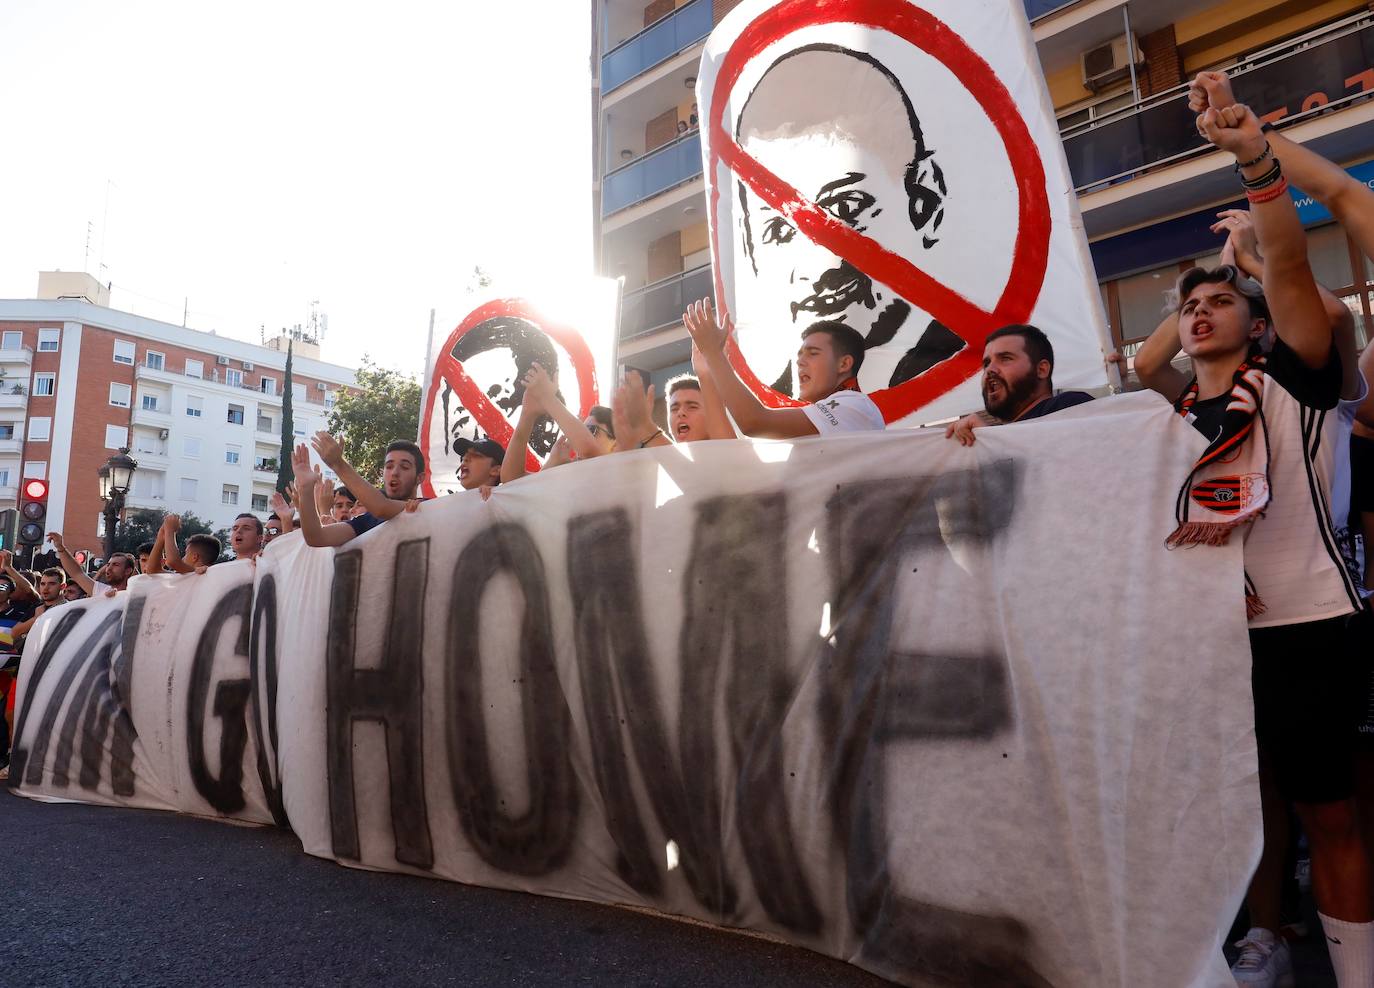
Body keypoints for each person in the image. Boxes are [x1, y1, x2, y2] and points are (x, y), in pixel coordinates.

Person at [1135, 91, 1371, 988]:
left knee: (1330, 814)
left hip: (1305, 622)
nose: (1200, 313)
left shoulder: (1300, 380)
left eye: (1217, 305)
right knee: (1247, 802)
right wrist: (1207, 282)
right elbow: (1150, 364)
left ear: (1261, 323)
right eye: (1187, 305)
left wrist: (1258, 182)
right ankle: (1262, 936)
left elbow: (1291, 268)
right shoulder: (1169, 416)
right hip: (1209, 632)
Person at [729, 43, 964, 395]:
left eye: (845, 209)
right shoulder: (773, 409)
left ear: (924, 203)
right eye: (778, 229)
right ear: (749, 247)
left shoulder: (983, 374)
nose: (818, 269)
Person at [683, 299, 884, 438]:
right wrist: (706, 375)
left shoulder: (855, 406)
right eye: (799, 355)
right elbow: (735, 463)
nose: (800, 362)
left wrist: (714, 354)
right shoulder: (815, 418)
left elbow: (753, 422)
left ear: (844, 364)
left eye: (813, 353)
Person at [944, 325, 1095, 445]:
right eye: (987, 363)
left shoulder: (1069, 406)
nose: (990, 369)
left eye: (1005, 358)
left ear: (1041, 369)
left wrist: (990, 442)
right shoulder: (1000, 435)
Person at [296, 439, 424, 546]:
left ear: (420, 477)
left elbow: (381, 507)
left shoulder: (427, 507)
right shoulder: (367, 521)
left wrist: (338, 464)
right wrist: (305, 489)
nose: (395, 472)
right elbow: (316, 537)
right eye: (389, 466)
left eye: (404, 467)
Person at [502, 361, 611, 484]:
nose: (577, 438)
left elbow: (589, 450)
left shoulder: (619, 474)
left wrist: (545, 397)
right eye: (582, 429)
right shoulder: (569, 473)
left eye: (591, 430)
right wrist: (527, 414)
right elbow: (511, 481)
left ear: (616, 444)